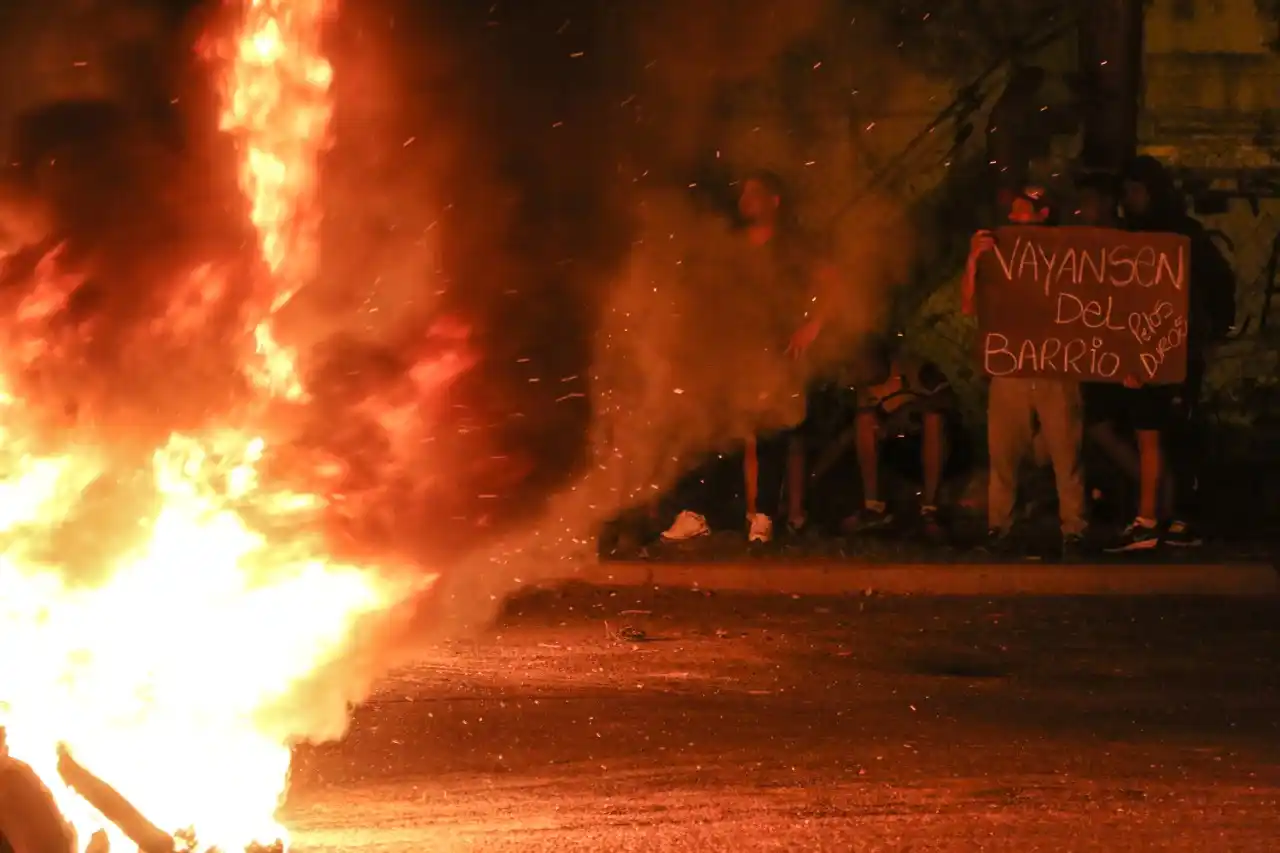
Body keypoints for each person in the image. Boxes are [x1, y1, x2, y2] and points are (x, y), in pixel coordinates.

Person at [663, 170, 833, 544]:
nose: (746, 200)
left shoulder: (793, 246)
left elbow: (831, 282)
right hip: (732, 349)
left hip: (774, 349)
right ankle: (697, 513)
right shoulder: (732, 245)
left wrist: (814, 326)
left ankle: (763, 517)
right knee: (716, 431)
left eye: (755, 193)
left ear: (775, 201)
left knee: (767, 432)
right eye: (743, 194)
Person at [1102, 155, 1231, 551]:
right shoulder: (1128, 236)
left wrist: (1212, 333)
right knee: (1149, 432)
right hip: (1142, 352)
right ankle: (1159, 517)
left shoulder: (1184, 236)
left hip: (1178, 351)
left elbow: (1219, 283)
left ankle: (1166, 519)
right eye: (1126, 193)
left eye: (1136, 191)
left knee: (1172, 432)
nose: (1130, 200)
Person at [961, 184, 1088, 554]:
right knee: (1003, 451)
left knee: (1066, 452)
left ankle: (1075, 530)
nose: (1015, 216)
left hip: (1056, 366)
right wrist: (973, 260)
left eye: (1023, 210)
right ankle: (999, 527)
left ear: (1043, 215)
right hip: (1011, 365)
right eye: (1013, 209)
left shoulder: (1069, 252)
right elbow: (970, 306)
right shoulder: (997, 253)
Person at [842, 336, 957, 540]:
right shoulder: (865, 387)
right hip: (898, 451)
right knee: (864, 421)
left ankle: (930, 510)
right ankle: (874, 508)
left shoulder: (915, 369)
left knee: (934, 419)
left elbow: (946, 399)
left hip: (939, 446)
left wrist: (909, 411)